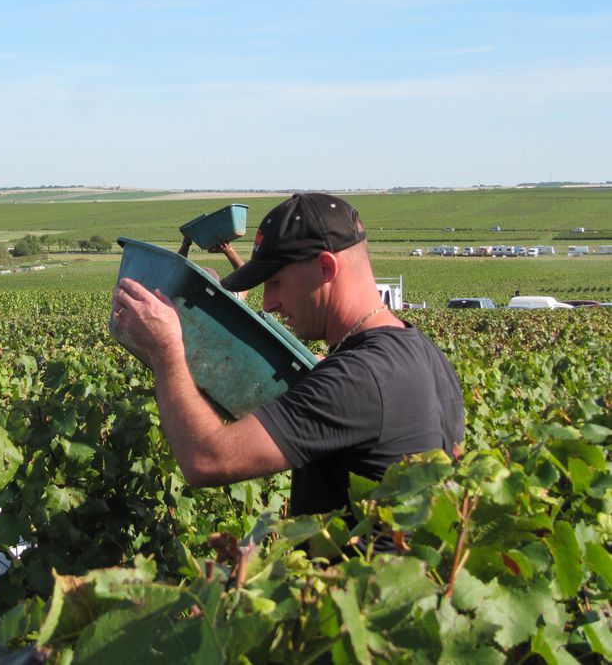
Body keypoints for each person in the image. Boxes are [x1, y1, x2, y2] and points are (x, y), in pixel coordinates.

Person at [110, 192, 464, 520]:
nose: (268, 303)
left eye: (276, 282)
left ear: (326, 268)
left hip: (354, 586)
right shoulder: (419, 352)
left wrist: (167, 350)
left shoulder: (357, 380)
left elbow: (205, 460)